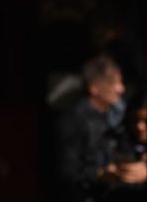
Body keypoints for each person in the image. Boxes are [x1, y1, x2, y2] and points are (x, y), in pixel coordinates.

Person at [56, 55, 136, 201]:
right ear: (94, 88)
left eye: (120, 82)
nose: (121, 89)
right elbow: (67, 169)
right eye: (114, 83)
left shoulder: (113, 114)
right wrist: (100, 174)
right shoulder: (75, 119)